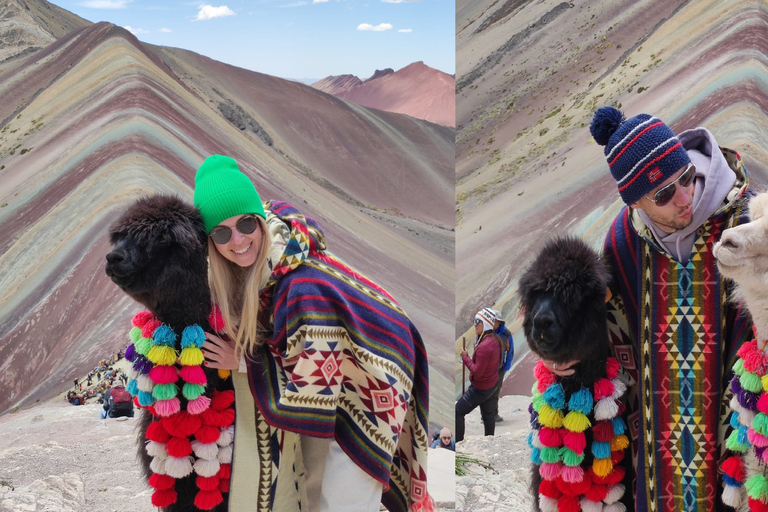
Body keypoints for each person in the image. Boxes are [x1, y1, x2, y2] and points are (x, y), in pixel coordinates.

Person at [193, 155, 432, 512]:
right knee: (316, 481)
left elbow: (314, 389)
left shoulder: (300, 289)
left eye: (245, 223)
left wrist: (243, 362)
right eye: (223, 232)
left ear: (259, 219)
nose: (238, 240)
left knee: (345, 496)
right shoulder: (272, 266)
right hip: (352, 361)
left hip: (378, 377)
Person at [561, 106, 753, 512]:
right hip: (656, 458)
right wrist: (568, 351)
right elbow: (607, 326)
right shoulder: (623, 242)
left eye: (687, 177)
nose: (685, 197)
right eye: (664, 194)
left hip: (734, 445)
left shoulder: (746, 223)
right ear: (636, 202)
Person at [455, 308, 503, 443]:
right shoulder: (495, 339)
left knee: (458, 411)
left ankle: (459, 444)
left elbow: (477, 371)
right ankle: (489, 442)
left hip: (480, 388)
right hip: (491, 384)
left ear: (486, 323)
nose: (475, 325)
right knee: (488, 415)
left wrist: (465, 357)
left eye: (478, 322)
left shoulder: (484, 346)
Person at [488, 308, 513, 423]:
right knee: (487, 390)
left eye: (495, 321)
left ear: (499, 322)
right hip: (487, 367)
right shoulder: (487, 332)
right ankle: (487, 414)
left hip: (499, 368)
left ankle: (494, 414)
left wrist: (506, 367)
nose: (493, 323)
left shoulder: (506, 334)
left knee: (496, 390)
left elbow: (510, 350)